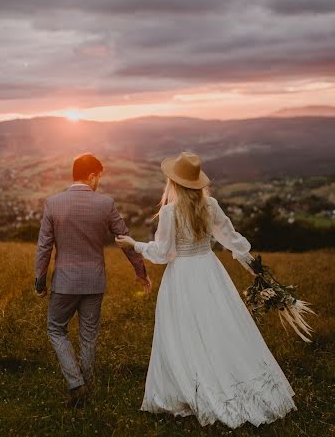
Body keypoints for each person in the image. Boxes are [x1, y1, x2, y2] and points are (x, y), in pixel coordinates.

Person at [116, 151, 297, 429]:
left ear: (174, 183)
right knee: (219, 326)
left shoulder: (169, 212)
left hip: (182, 277)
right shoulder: (210, 205)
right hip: (210, 273)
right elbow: (231, 238)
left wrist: (134, 244)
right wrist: (252, 265)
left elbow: (164, 253)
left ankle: (190, 384)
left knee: (183, 331)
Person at [34, 153, 152, 406]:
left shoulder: (53, 203)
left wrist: (40, 281)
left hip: (64, 282)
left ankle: (76, 384)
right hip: (94, 282)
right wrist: (140, 273)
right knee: (89, 337)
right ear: (91, 176)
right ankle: (85, 389)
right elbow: (125, 241)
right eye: (98, 177)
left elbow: (44, 247)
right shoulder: (105, 204)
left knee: (56, 329)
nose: (99, 182)